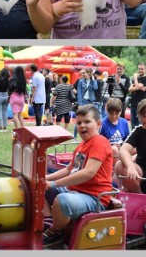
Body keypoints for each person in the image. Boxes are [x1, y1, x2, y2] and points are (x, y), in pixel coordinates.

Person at [41, 105, 113, 249]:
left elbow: (88, 173)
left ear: (98, 124)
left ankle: (56, 232)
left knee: (62, 200)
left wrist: (54, 183)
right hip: (76, 192)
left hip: (94, 197)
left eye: (87, 122)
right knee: (41, 188)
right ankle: (50, 223)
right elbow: (69, 170)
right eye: (79, 123)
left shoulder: (99, 142)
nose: (82, 126)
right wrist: (45, 179)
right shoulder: (82, 145)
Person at [128, 63, 146, 129]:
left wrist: (135, 79)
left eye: (142, 69)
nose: (140, 70)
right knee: (133, 122)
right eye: (139, 69)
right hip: (133, 103)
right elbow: (130, 89)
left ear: (145, 69)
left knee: (140, 121)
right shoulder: (137, 79)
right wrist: (138, 87)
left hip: (141, 104)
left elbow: (137, 86)